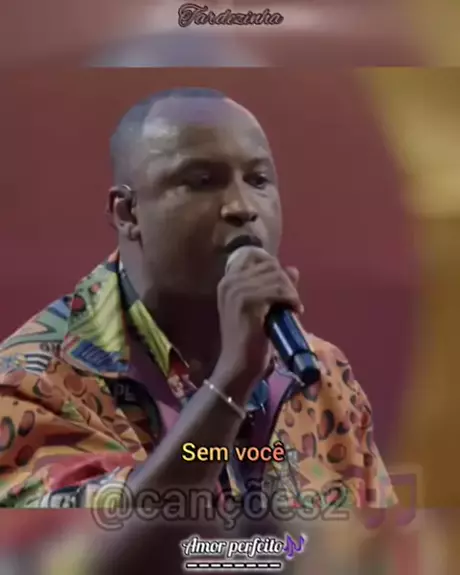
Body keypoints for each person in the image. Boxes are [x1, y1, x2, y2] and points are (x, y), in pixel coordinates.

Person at [0, 87, 395, 571]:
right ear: (128, 213)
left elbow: (368, 551)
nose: (242, 206)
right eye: (203, 181)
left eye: (258, 179)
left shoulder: (319, 371)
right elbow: (93, 561)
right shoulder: (32, 380)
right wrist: (231, 383)